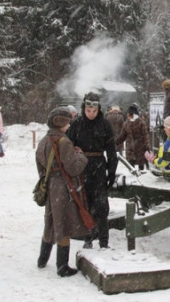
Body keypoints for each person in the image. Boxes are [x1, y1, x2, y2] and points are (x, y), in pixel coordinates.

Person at [36, 107, 91, 277]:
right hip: (62, 187)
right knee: (63, 224)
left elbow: (39, 164)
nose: (69, 124)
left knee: (50, 221)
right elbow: (73, 168)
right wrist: (81, 157)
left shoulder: (44, 140)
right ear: (61, 123)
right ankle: (62, 266)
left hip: (50, 184)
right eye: (67, 121)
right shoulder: (64, 142)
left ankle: (42, 259)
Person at [65, 92, 117, 249]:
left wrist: (112, 172)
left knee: (101, 206)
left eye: (94, 111)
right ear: (84, 108)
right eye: (88, 111)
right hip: (82, 167)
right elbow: (67, 147)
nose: (91, 114)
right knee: (84, 203)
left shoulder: (105, 124)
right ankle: (88, 238)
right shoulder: (77, 124)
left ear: (99, 109)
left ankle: (103, 241)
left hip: (99, 166)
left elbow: (111, 151)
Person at [116, 105, 151, 170]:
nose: (127, 115)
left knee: (141, 166)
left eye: (129, 114)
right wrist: (115, 142)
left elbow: (145, 135)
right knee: (131, 167)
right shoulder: (126, 123)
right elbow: (122, 136)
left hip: (139, 147)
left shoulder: (140, 123)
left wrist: (147, 146)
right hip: (131, 149)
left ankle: (141, 176)